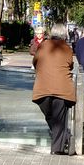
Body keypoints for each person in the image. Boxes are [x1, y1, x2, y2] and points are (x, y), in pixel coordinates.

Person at [32, 23, 76, 155]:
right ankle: (59, 145)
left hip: (42, 89)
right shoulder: (67, 48)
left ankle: (60, 144)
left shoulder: (43, 45)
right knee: (58, 118)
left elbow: (35, 61)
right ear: (64, 34)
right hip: (62, 89)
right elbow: (70, 65)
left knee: (51, 116)